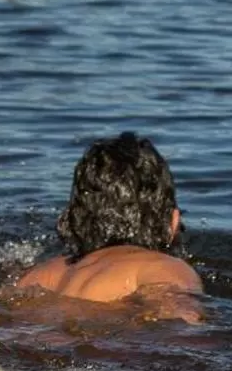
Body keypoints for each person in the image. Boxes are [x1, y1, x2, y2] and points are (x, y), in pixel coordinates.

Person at [13, 133, 204, 322]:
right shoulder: (161, 268)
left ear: (73, 218)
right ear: (173, 222)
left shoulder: (41, 274)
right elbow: (183, 327)